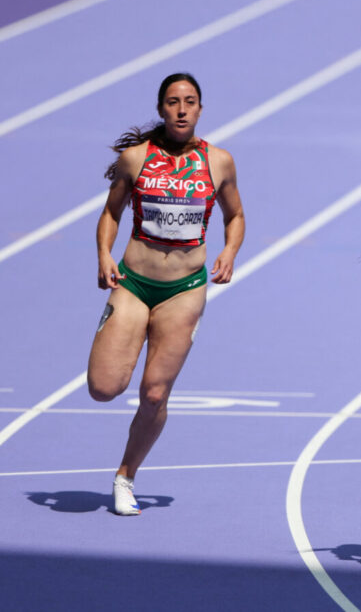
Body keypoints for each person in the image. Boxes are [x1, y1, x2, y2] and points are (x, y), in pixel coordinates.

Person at [87, 72, 245, 515]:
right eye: (173, 101)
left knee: (155, 394)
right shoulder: (136, 158)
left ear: (200, 110)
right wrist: (103, 255)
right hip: (133, 284)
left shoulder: (219, 162)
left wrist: (230, 251)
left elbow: (235, 216)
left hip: (184, 289)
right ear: (161, 109)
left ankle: (125, 476)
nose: (181, 109)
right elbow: (111, 212)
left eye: (189, 101)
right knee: (103, 388)